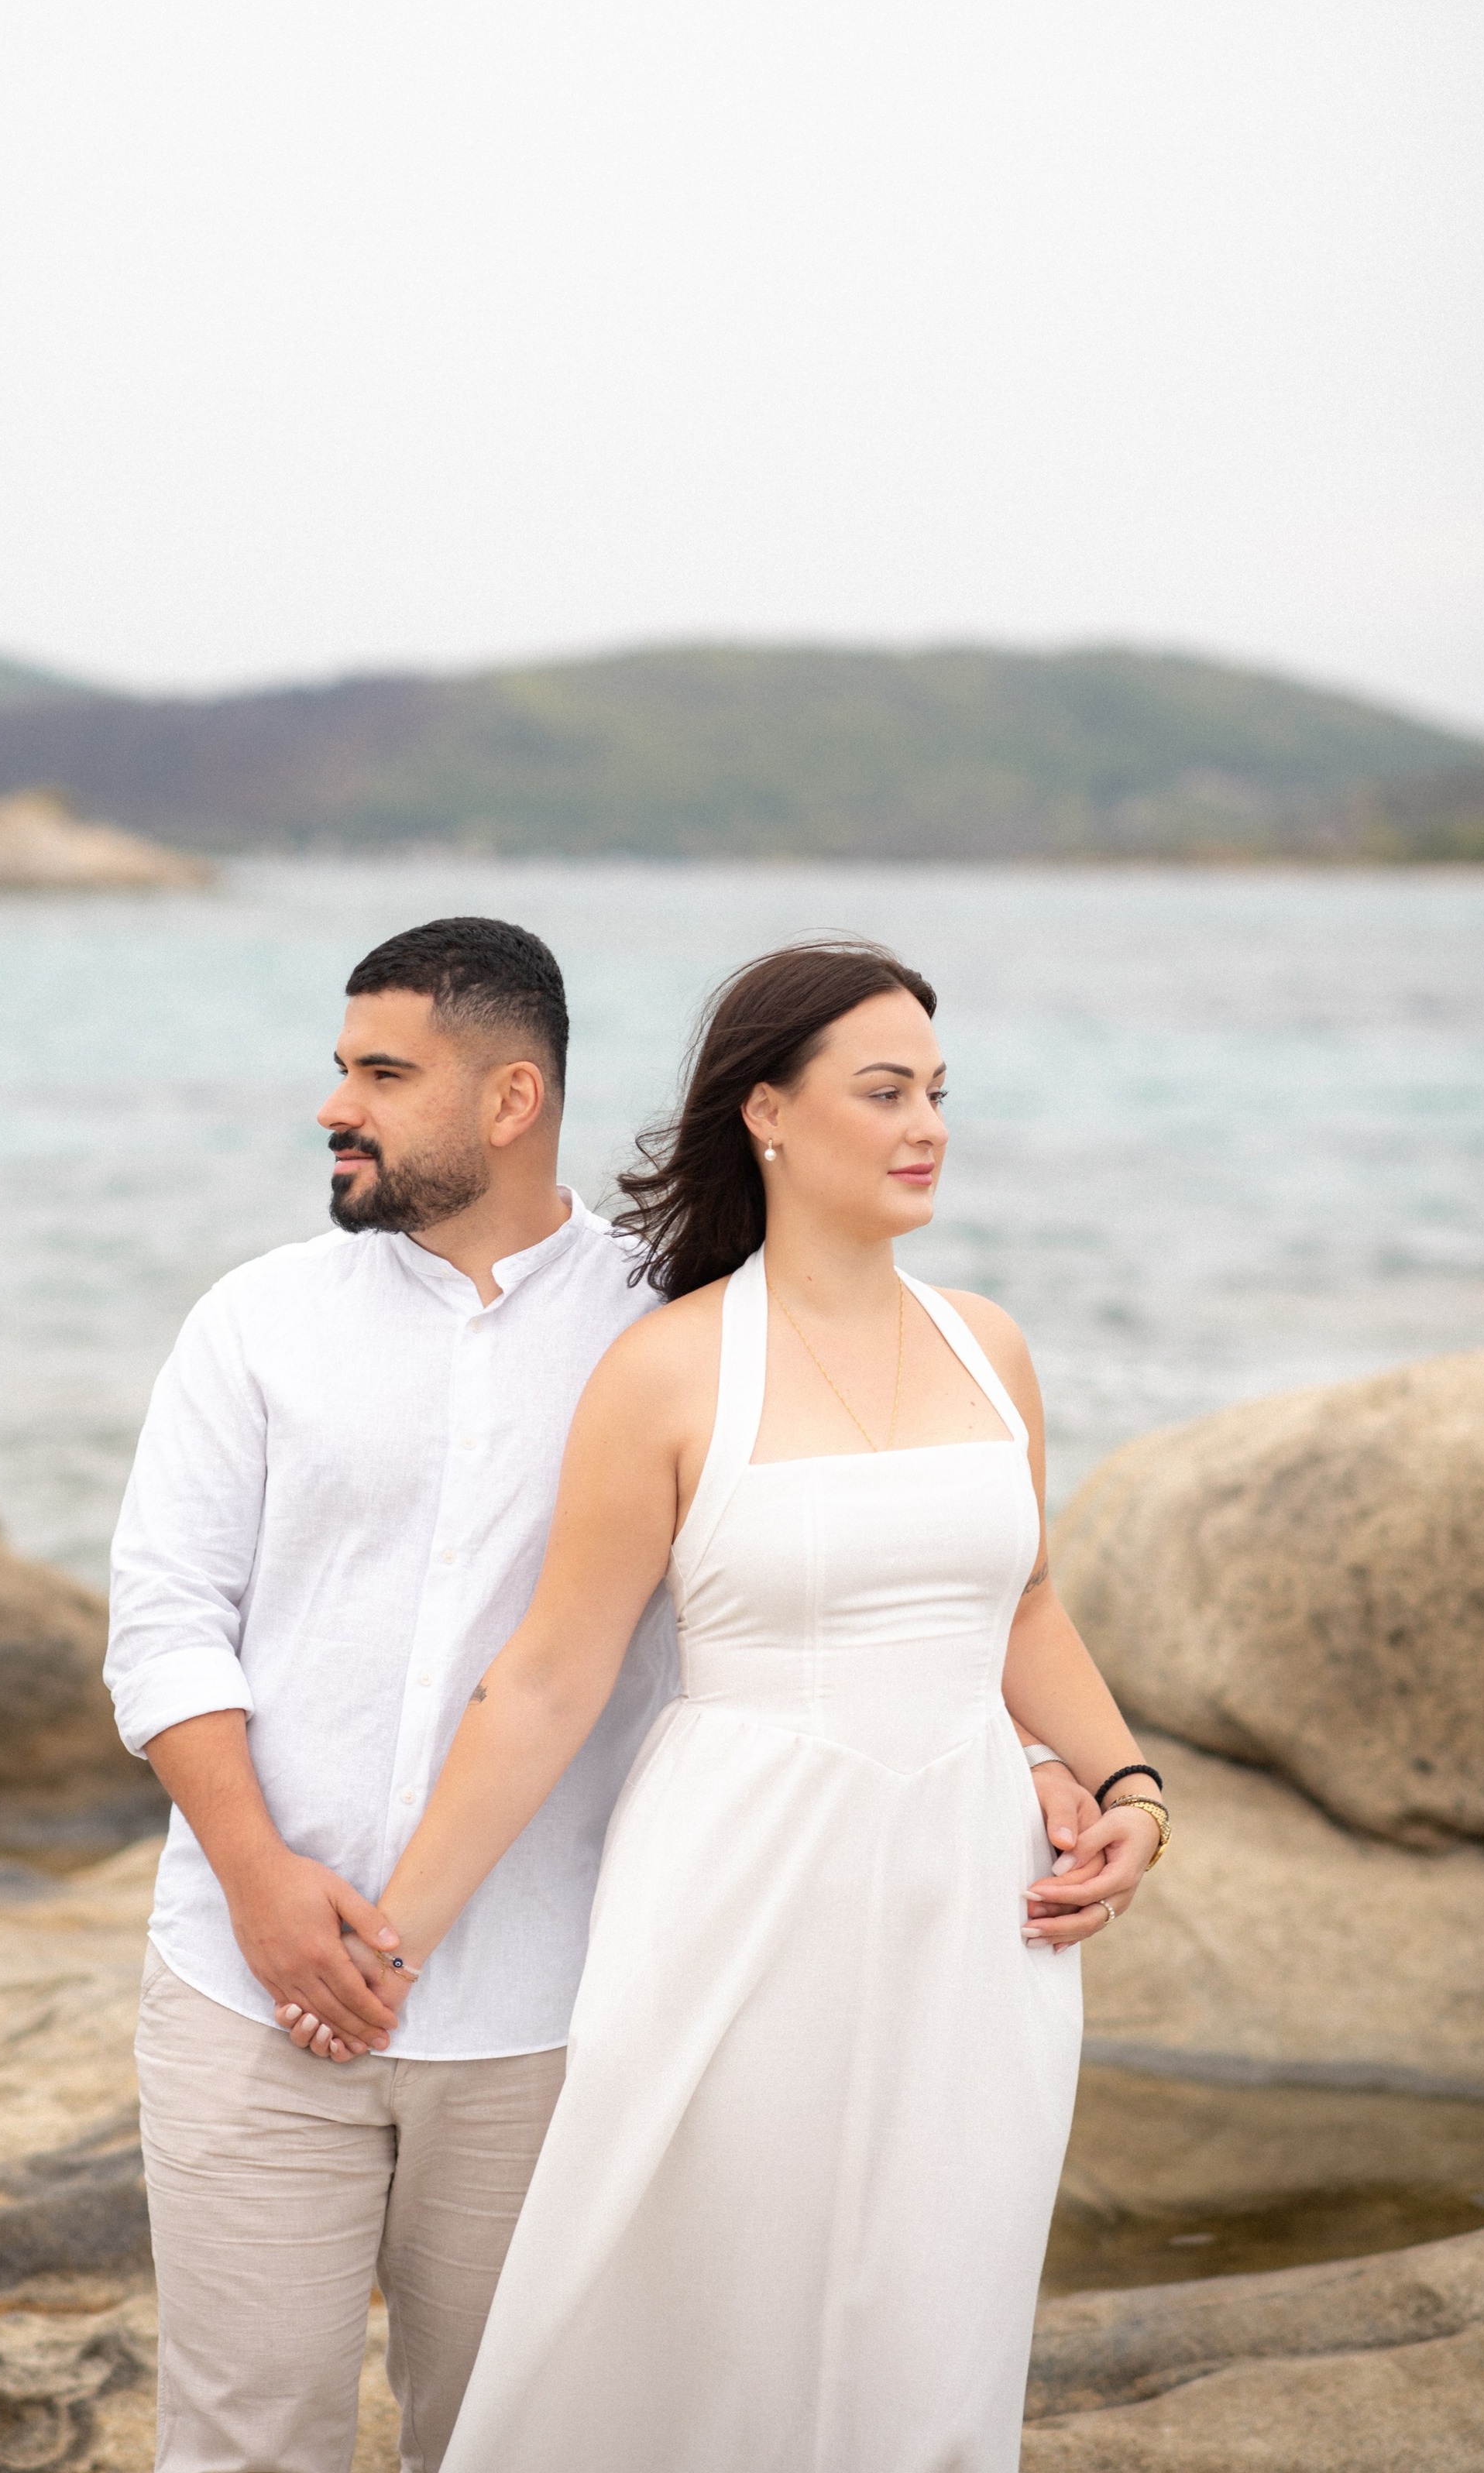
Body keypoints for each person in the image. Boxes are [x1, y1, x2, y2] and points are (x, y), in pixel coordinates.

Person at [284, 940, 1167, 2473]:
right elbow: (550, 1675)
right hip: (738, 1900)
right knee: (704, 2319)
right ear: (764, 1111)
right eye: (882, 1091)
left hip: (971, 1913)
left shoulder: (990, 1347)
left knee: (932, 2314)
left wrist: (1131, 1786)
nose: (925, 1127)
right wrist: (391, 1934)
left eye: (937, 1094)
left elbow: (1019, 1606)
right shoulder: (666, 1371)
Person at [103, 916, 683, 2473]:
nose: (331, 1105)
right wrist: (258, 1882)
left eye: (379, 1071)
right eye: (337, 1065)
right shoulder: (254, 1320)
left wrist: (1041, 1755)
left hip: (539, 2012)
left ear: (509, 1100)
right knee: (239, 2444)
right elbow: (165, 1619)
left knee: (504, 2443)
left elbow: (795, 1593)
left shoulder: (673, 1330)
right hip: (244, 1991)